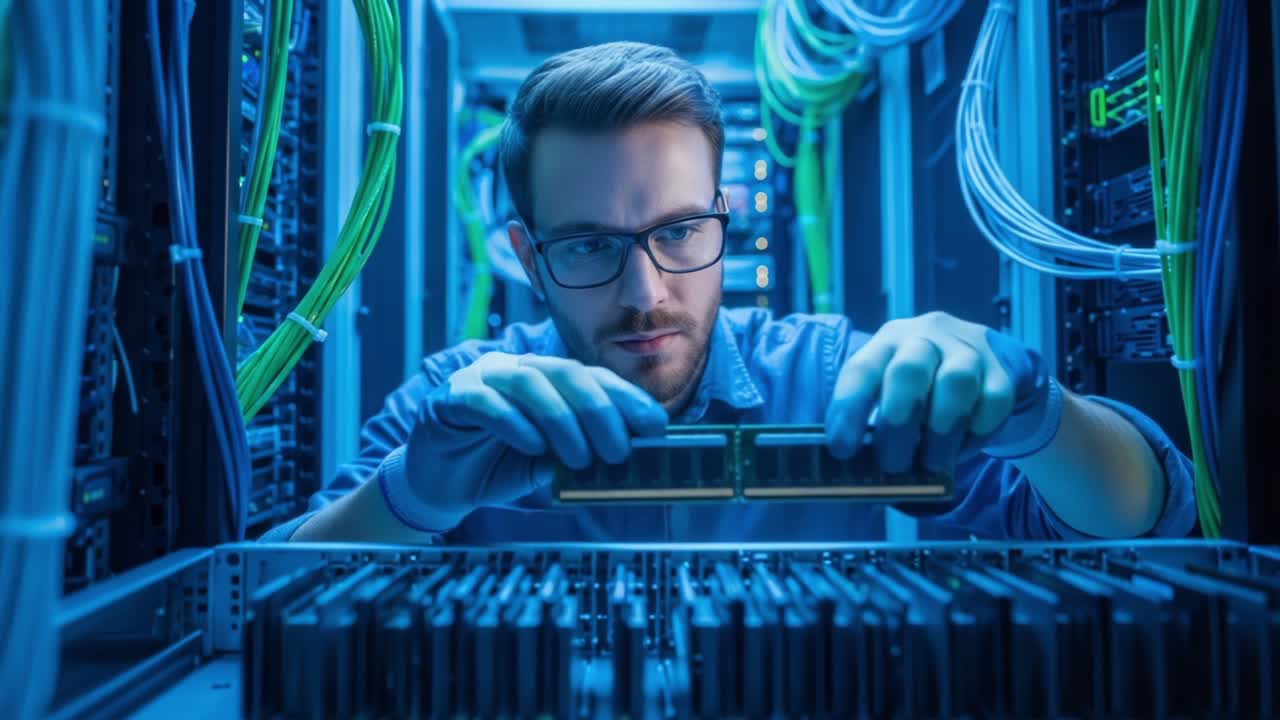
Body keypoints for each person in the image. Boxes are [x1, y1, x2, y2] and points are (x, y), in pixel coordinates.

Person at [263, 42, 1196, 544]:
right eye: (589, 244)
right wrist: (412, 499)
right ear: (527, 254)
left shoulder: (834, 376)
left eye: (676, 233)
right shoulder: (460, 404)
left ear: (722, 224)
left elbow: (1145, 519)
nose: (645, 291)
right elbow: (261, 602)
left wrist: (1038, 416)